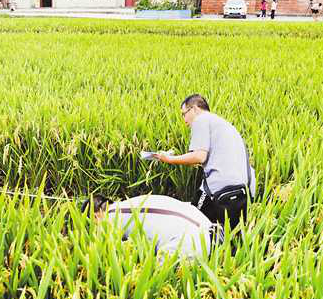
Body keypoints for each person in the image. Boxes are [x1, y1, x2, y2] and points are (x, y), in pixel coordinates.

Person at [154, 95, 255, 228]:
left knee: (192, 222)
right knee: (232, 240)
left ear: (194, 109)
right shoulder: (222, 124)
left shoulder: (201, 120)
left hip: (220, 188)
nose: (184, 120)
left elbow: (199, 156)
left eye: (184, 114)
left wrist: (169, 159)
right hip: (245, 190)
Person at [82, 194, 219, 259]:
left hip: (189, 244)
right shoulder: (132, 203)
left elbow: (105, 253)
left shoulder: (109, 218)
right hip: (209, 228)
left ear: (95, 216)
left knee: (154, 280)